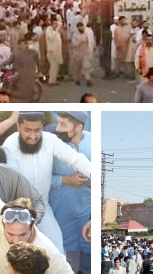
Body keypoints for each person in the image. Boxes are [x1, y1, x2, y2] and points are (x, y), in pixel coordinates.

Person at [3, 112, 91, 254]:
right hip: (18, 210)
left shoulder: (50, 140)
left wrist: (94, 173)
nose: (33, 136)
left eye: (37, 130)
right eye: (27, 130)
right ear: (18, 126)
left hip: (43, 206)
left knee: (57, 248)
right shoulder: (10, 145)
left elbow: (75, 158)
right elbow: (14, 183)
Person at [0, 177, 73, 273]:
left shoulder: (46, 251)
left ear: (32, 226)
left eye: (22, 234)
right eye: (10, 234)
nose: (16, 241)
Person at [50, 111, 91, 273]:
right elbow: (40, 178)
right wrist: (67, 180)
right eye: (58, 123)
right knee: (68, 266)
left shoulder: (93, 140)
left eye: (63, 124)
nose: (58, 129)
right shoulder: (53, 144)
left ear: (79, 127)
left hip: (87, 217)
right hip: (62, 218)